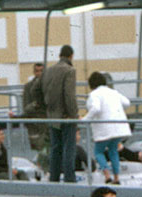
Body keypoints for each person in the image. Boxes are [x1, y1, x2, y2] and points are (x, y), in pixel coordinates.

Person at [82, 72, 132, 185]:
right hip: (118, 128)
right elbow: (127, 103)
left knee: (98, 152)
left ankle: (107, 175)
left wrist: (85, 119)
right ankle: (117, 177)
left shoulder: (94, 94)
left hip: (104, 129)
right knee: (113, 151)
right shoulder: (113, 92)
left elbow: (96, 109)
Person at [41, 44, 78, 183]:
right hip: (65, 117)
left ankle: (54, 178)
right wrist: (73, 115)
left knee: (55, 149)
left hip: (52, 115)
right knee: (69, 148)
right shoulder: (70, 70)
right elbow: (69, 95)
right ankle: (69, 179)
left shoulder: (49, 71)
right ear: (71, 56)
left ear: (59, 55)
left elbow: (44, 91)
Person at [11, 63, 48, 151]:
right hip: (35, 125)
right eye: (37, 71)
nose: (39, 73)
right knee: (40, 151)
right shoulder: (28, 87)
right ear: (34, 72)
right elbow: (26, 107)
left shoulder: (49, 86)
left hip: (48, 124)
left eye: (41, 71)